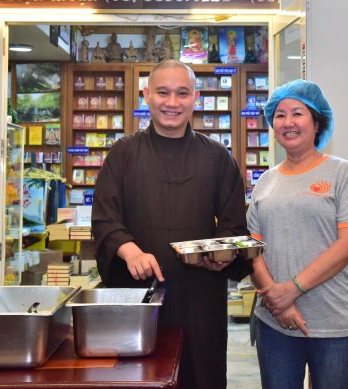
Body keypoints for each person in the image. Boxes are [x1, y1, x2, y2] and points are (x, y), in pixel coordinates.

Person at [92, 60, 251, 389]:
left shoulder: (217, 156)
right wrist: (130, 251)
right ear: (146, 95)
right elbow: (105, 216)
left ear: (196, 98)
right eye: (163, 93)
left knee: (201, 376)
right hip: (139, 294)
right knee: (139, 377)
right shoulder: (123, 154)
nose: (172, 103)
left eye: (182, 93)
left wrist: (221, 254)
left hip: (200, 294)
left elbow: (234, 224)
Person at [248, 79, 348, 389]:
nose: (288, 122)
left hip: (333, 321)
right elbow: (252, 249)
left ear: (317, 123)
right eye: (280, 115)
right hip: (274, 320)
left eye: (297, 113)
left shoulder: (341, 172)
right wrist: (279, 300)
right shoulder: (265, 182)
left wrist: (292, 289)